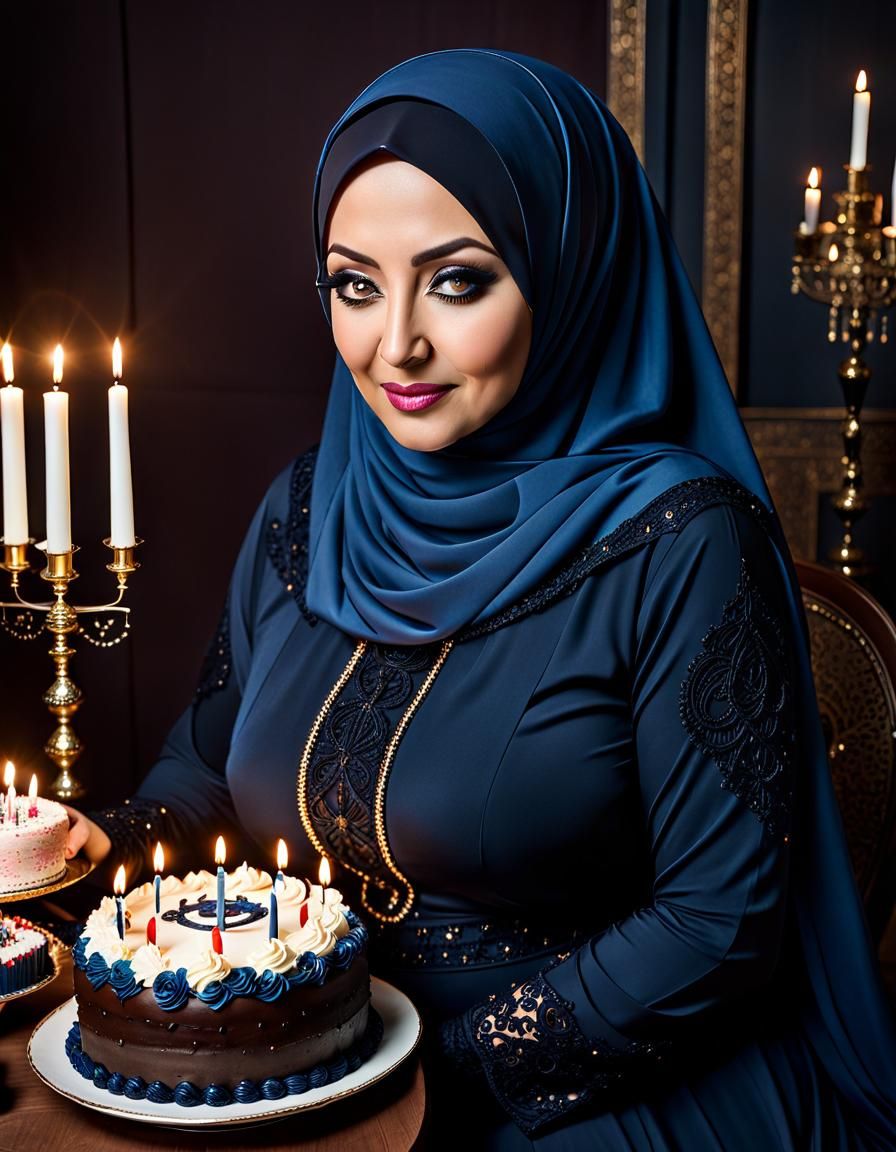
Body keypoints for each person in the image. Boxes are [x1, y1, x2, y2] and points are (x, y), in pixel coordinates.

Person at [64, 49, 896, 1149]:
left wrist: (427, 1075)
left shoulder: (684, 541)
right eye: (354, 285)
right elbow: (209, 767)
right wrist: (86, 847)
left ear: (570, 268)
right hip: (308, 1063)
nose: (394, 343)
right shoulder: (308, 507)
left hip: (586, 1084)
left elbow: (715, 925)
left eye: (456, 282)